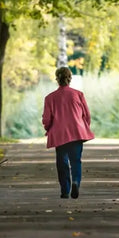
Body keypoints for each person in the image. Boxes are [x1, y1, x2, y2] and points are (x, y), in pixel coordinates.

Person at [42, 66, 95, 199]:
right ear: (69, 78)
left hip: (59, 134)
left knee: (62, 162)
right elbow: (87, 115)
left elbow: (47, 119)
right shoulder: (78, 94)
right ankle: (76, 182)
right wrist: (84, 127)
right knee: (76, 160)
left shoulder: (50, 98)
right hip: (77, 132)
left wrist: (48, 128)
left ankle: (65, 190)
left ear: (57, 79)